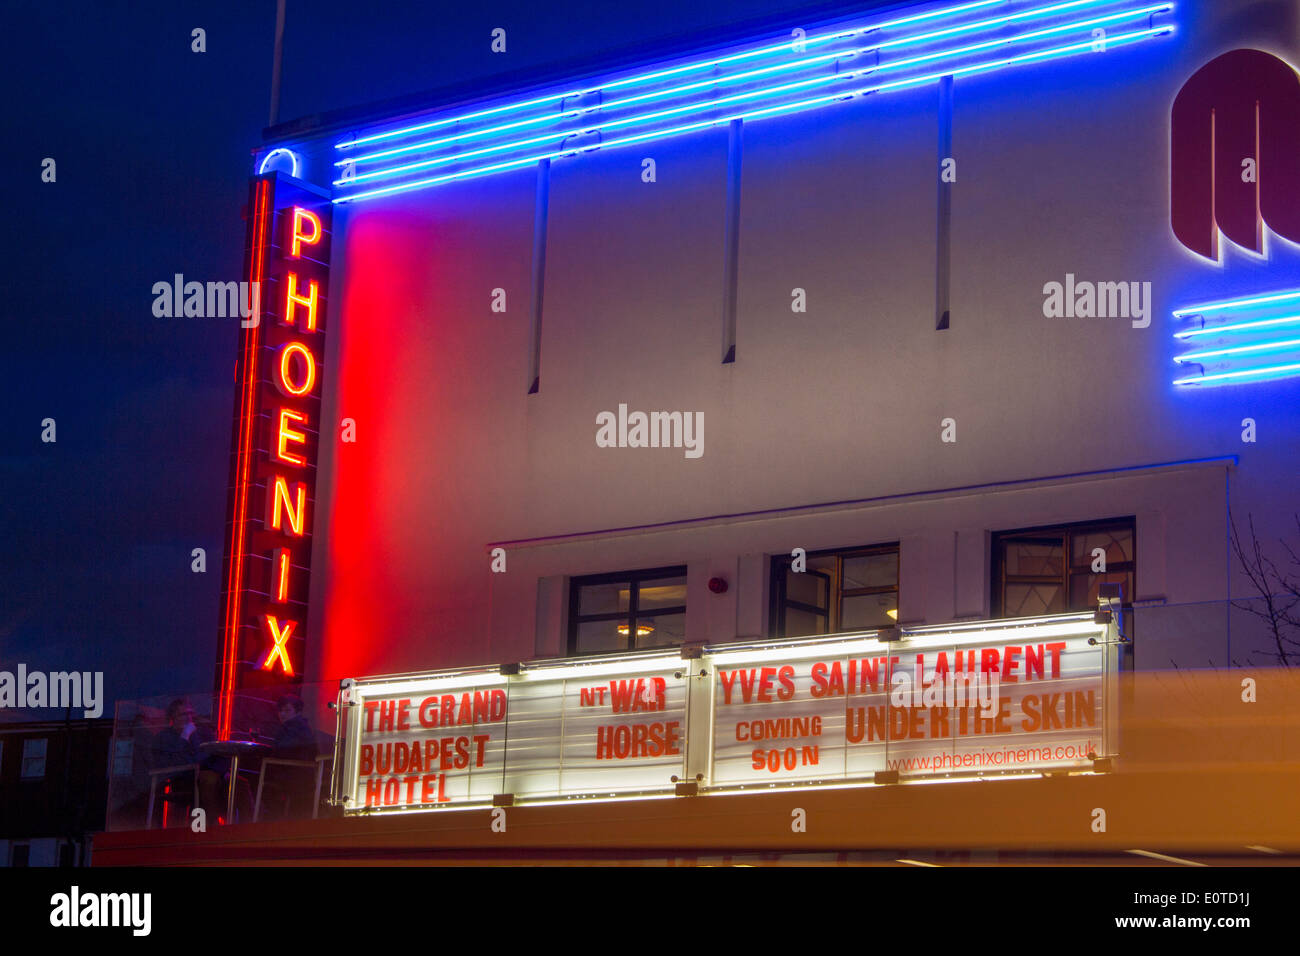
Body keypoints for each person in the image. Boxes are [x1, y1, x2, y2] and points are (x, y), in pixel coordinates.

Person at [152, 700, 222, 824]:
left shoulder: (201, 732)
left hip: (208, 773)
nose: (189, 717)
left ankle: (248, 828)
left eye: (190, 713)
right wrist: (184, 737)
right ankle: (211, 827)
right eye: (184, 714)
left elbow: (210, 753)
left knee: (238, 783)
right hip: (181, 779)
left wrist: (222, 771)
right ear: (173, 717)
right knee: (209, 779)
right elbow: (175, 762)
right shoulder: (164, 737)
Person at [260, 694, 319, 819]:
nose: (282, 714)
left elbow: (284, 748)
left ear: (297, 711)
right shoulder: (296, 727)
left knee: (258, 779)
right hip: (295, 774)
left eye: (287, 710)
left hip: (294, 775)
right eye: (280, 710)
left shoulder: (296, 727)